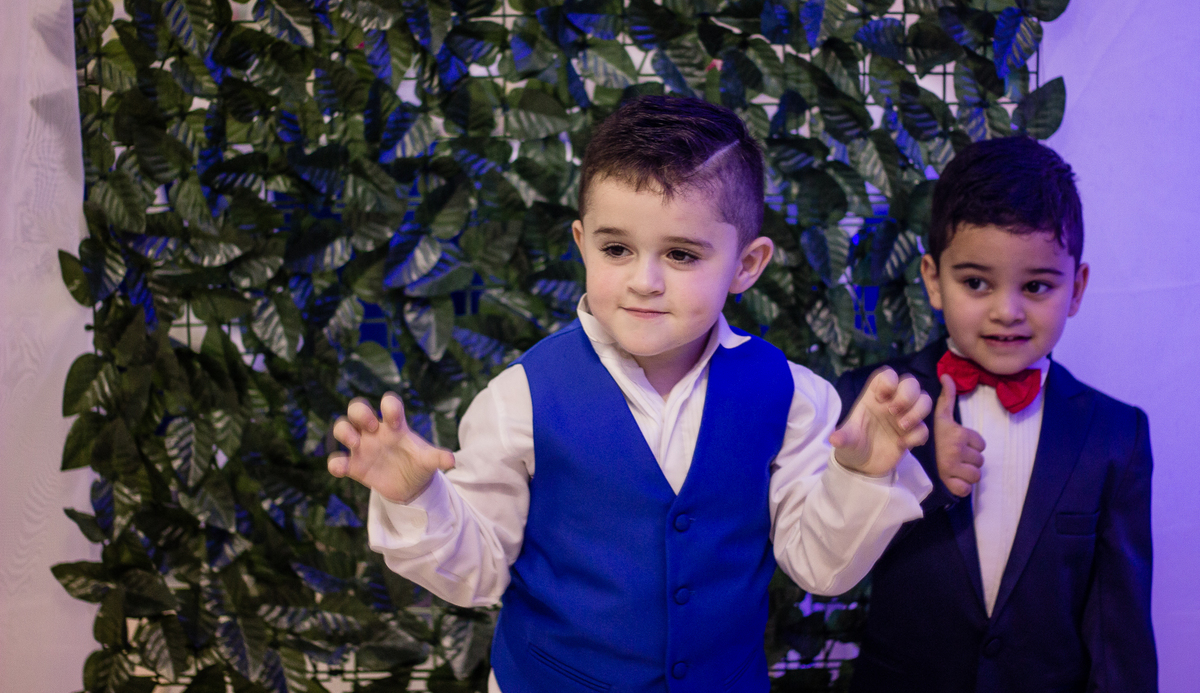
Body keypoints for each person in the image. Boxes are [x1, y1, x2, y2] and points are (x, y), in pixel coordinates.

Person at [328, 95, 934, 693]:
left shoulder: (793, 397)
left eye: (681, 254)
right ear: (582, 242)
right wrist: (417, 499)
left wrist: (861, 477)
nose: (644, 281)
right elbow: (477, 576)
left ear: (746, 265)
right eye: (616, 249)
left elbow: (821, 570)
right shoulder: (519, 400)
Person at [836, 136, 1156, 692]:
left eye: (1036, 286)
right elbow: (830, 559)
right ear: (933, 280)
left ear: (1076, 288)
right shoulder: (872, 403)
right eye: (976, 282)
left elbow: (1119, 631)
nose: (1007, 311)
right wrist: (920, 474)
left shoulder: (1115, 434)